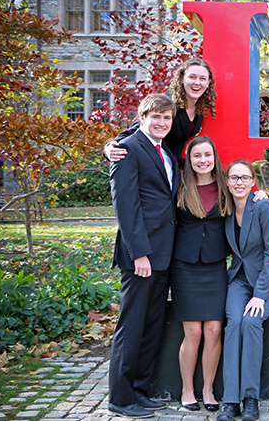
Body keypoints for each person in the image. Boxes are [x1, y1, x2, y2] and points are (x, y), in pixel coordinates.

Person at [108, 93, 179, 418]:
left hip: (163, 254)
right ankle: (120, 398)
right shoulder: (128, 149)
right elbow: (126, 206)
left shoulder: (163, 151)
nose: (162, 123)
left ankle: (140, 390)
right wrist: (139, 255)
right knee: (132, 326)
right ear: (142, 117)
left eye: (167, 118)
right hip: (141, 257)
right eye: (156, 117)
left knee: (151, 326)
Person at [217, 160, 269, 421]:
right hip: (239, 279)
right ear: (226, 181)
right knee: (234, 322)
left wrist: (260, 294)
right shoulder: (224, 207)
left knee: (251, 321)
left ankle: (250, 399)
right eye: (234, 177)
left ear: (252, 182)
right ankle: (230, 401)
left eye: (245, 178)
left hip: (268, 283)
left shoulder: (262, 207)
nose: (239, 182)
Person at [170, 136, 231, 412]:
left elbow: (246, 200)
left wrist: (260, 194)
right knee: (193, 333)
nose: (203, 160)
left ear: (214, 157)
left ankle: (208, 390)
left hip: (215, 264)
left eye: (207, 154)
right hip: (184, 265)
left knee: (215, 330)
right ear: (189, 159)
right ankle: (187, 390)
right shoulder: (179, 185)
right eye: (197, 156)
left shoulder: (225, 186)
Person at [104, 58, 217, 164]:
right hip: (149, 166)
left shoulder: (201, 105)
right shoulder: (167, 101)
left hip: (171, 166)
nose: (197, 83)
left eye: (202, 78)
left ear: (208, 82)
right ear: (182, 78)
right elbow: (138, 128)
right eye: (192, 77)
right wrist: (109, 148)